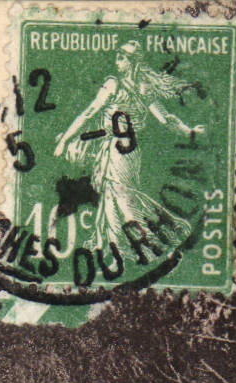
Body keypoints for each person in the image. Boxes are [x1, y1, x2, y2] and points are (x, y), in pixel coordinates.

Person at [52, 41, 205, 255]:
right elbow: (166, 119)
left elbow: (88, 113)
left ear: (133, 62)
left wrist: (64, 141)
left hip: (117, 150)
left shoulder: (115, 85)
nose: (117, 62)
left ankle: (150, 240)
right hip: (130, 151)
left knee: (120, 198)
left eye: (121, 57)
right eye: (117, 57)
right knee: (115, 196)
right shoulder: (143, 88)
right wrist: (189, 131)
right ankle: (117, 244)